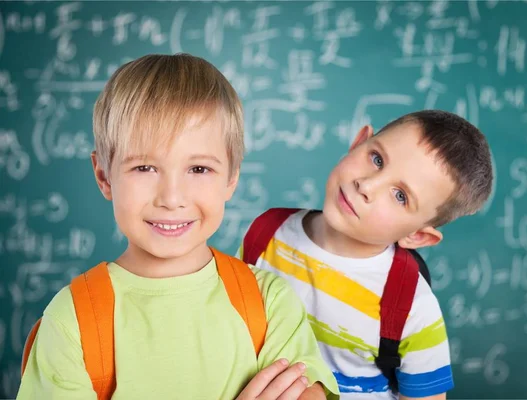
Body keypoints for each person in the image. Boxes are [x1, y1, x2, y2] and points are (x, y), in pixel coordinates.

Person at [17, 53, 339, 400]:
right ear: (103, 176)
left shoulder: (269, 301)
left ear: (231, 177)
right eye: (144, 168)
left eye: (199, 169)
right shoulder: (73, 322)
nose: (172, 197)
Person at [239, 110, 493, 399]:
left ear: (417, 235)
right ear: (360, 141)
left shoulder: (412, 307)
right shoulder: (266, 232)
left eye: (400, 196)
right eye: (377, 159)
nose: (368, 185)